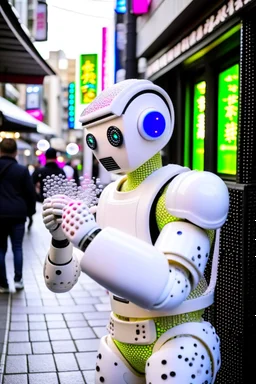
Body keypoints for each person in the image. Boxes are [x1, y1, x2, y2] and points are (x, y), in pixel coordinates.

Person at [42, 79, 229, 383]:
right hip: (118, 341)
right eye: (94, 141)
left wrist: (89, 236)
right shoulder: (109, 196)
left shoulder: (188, 191)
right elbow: (59, 284)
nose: (103, 150)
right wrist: (60, 239)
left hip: (178, 338)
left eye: (113, 135)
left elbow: (171, 288)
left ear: (152, 125)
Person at [0, 138, 36, 293]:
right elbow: (30, 194)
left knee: (0, 249)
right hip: (18, 214)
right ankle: (18, 280)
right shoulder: (22, 170)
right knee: (17, 248)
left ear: (0, 151)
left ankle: (3, 284)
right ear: (15, 152)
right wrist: (30, 212)